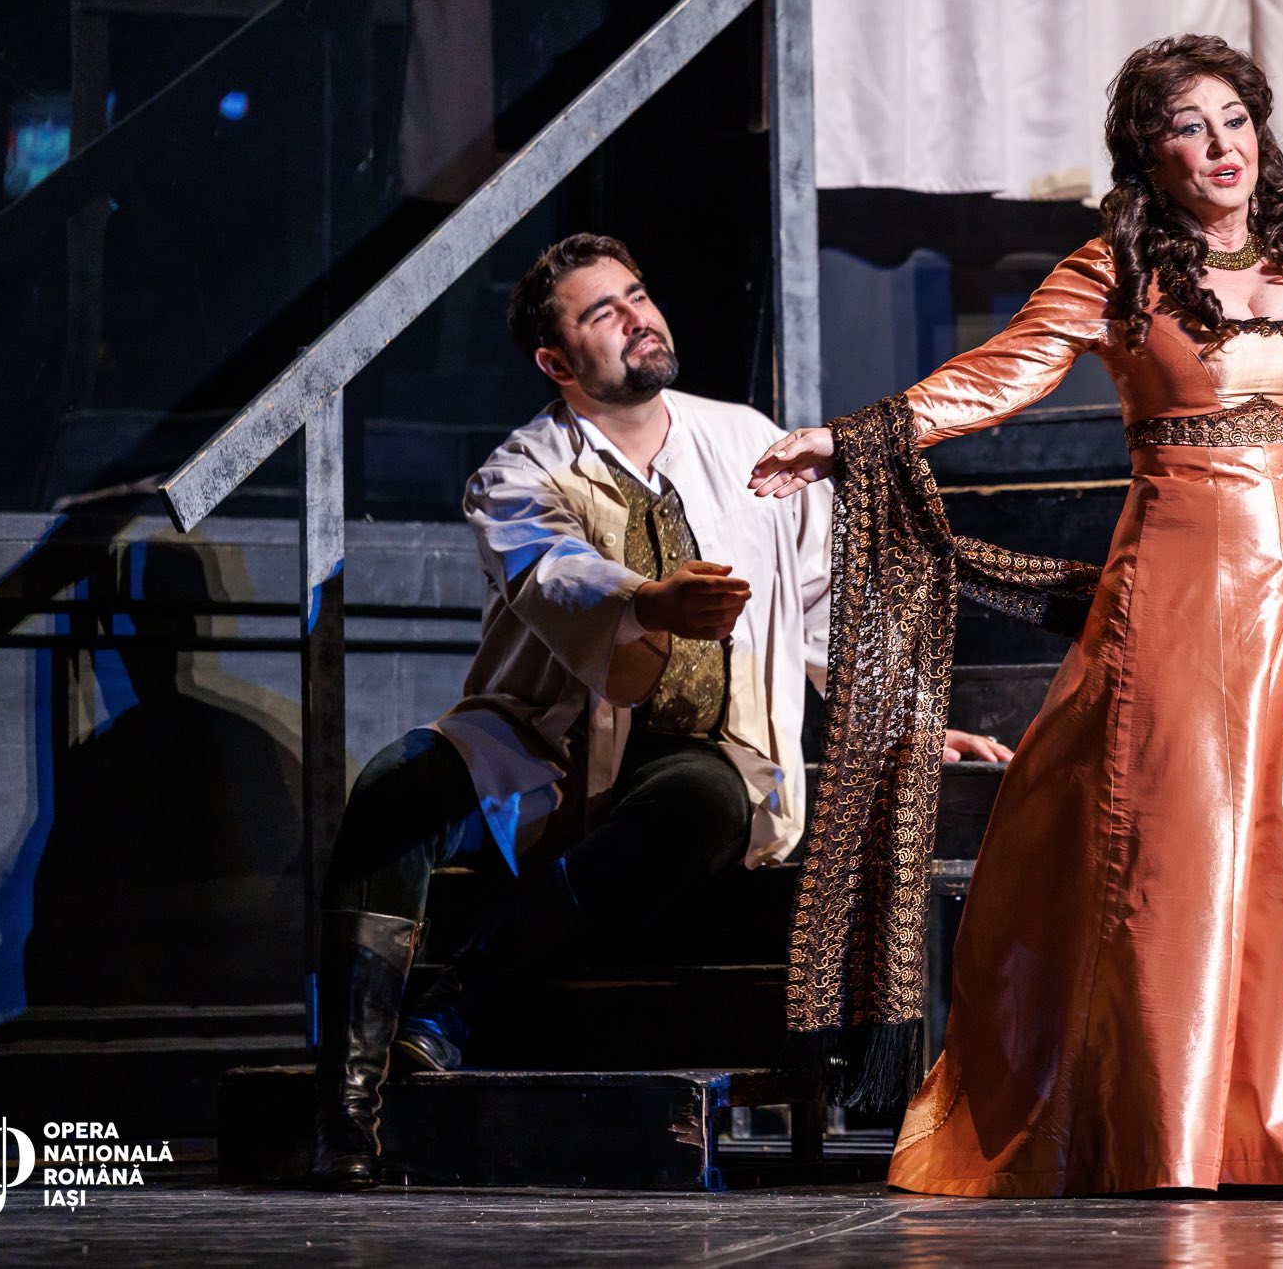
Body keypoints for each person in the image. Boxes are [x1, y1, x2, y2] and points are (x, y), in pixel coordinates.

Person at [750, 35, 1283, 1196]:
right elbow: (997, 373)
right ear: (1148, 153)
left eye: (1235, 119)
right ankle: (1169, 1127)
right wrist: (849, 441)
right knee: (1179, 846)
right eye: (1189, 127)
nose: (1221, 145)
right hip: (1176, 587)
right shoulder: (1115, 268)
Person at [311, 233, 1010, 1190]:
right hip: (549, 743)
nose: (638, 318)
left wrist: (906, 726)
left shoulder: (744, 439)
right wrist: (648, 603)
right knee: (396, 784)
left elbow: (822, 606)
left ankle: (464, 993)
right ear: (556, 363)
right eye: (603, 313)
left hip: (705, 747)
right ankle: (346, 1112)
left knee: (705, 805)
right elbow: (553, 575)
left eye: (638, 295)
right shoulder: (520, 472)